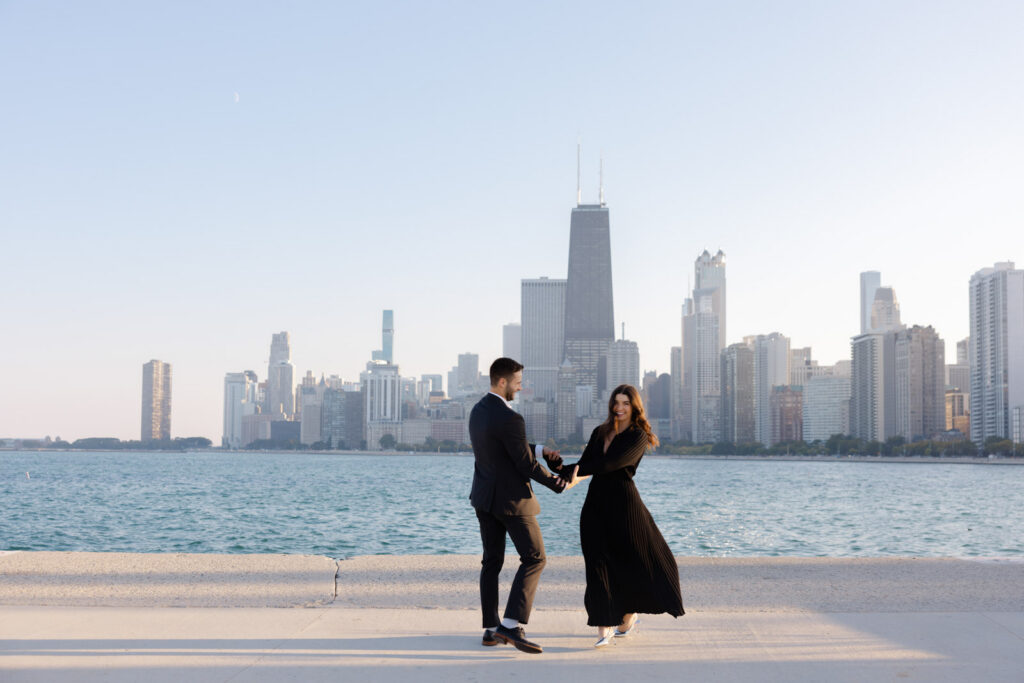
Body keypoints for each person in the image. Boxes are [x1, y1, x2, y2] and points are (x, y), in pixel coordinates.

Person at [557, 384, 684, 647]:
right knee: (597, 564)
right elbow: (585, 468)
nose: (619, 408)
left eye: (625, 403)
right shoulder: (599, 432)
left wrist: (572, 468)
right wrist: (561, 479)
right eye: (616, 402)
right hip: (595, 505)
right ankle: (604, 627)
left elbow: (609, 464)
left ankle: (628, 615)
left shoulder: (638, 436)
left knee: (634, 562)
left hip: (625, 506)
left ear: (634, 406)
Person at [468, 357, 581, 654]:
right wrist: (557, 482)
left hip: (484, 498)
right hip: (512, 502)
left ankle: (491, 630)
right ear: (502, 382)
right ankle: (511, 624)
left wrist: (540, 449)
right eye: (517, 382)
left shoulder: (479, 411)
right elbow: (525, 464)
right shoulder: (510, 418)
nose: (521, 387)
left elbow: (504, 448)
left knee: (491, 562)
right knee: (535, 558)